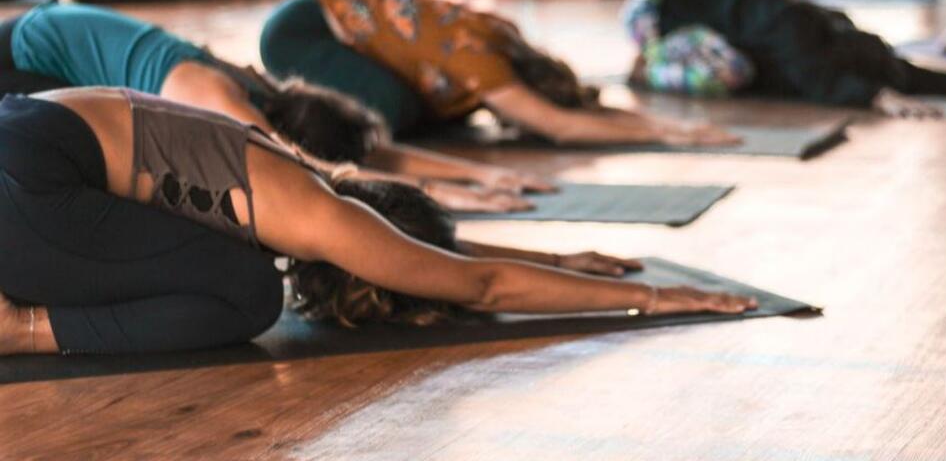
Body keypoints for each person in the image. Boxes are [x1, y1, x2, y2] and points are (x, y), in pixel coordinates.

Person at [0, 87, 755, 355]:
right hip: (24, 194)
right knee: (246, 293)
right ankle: (19, 329)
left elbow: (455, 253)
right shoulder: (318, 213)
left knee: (208, 262)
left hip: (26, 152)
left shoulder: (282, 169)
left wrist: (570, 258)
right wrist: (654, 301)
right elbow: (479, 285)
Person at [0, 3, 553, 212]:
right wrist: (442, 195)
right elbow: (310, 174)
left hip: (46, 46)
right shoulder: (216, 96)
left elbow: (373, 153)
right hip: (17, 57)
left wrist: (482, 172)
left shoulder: (260, 87)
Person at [260, 0, 740, 146]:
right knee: (389, 115)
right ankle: (266, 103)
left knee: (421, 109)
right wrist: (667, 132)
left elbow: (573, 113)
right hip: (300, 34)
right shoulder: (486, 68)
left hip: (313, 15)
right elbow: (563, 126)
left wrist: (667, 127)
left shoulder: (509, 41)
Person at [621, 0, 946, 119]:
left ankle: (646, 67)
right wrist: (876, 96)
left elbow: (901, 72)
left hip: (689, 9)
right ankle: (644, 69)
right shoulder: (805, 38)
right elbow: (810, 74)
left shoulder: (835, 39)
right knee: (734, 71)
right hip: (660, 9)